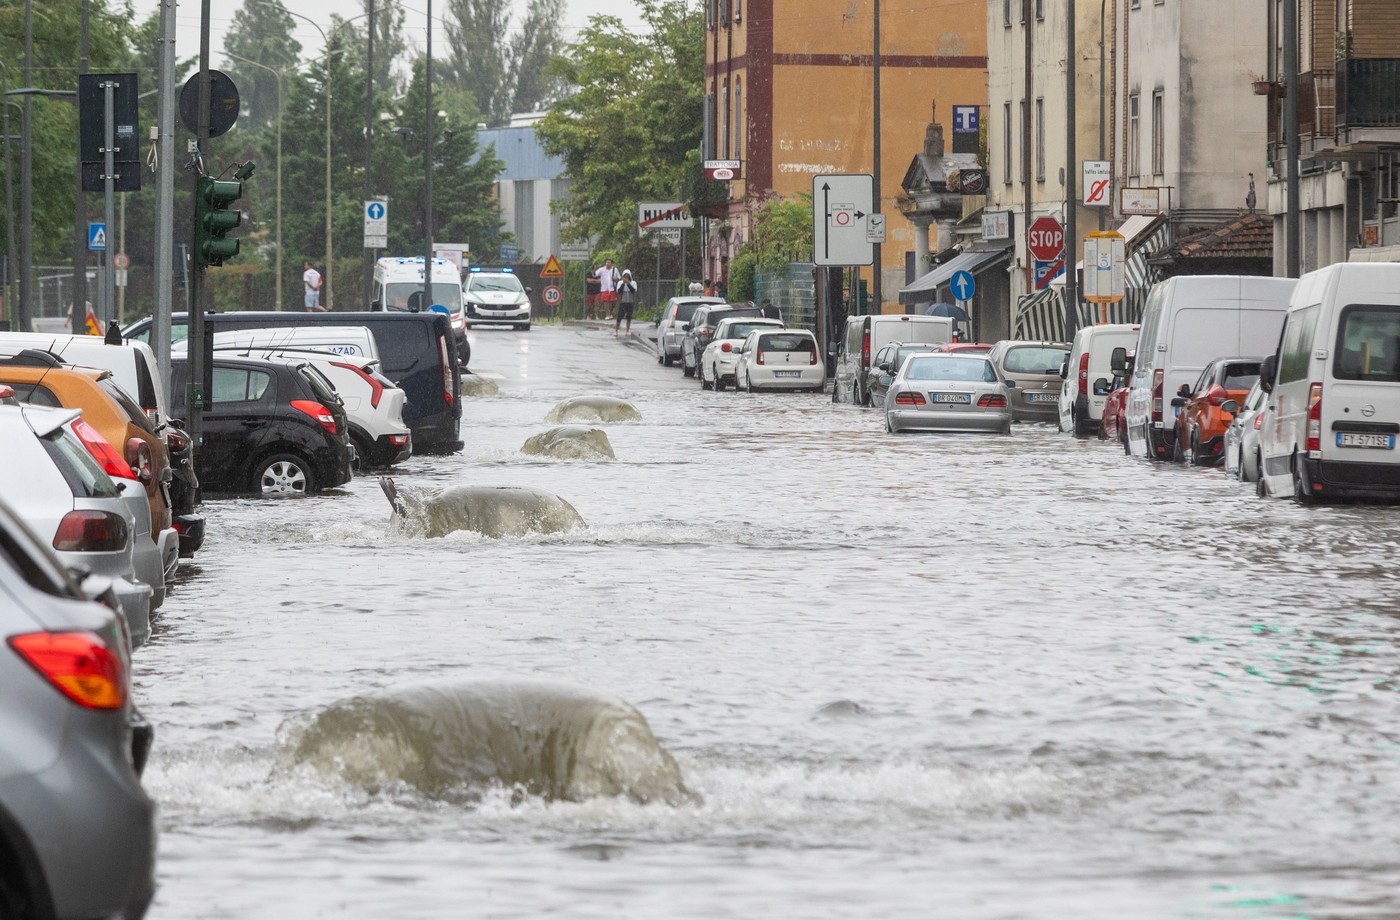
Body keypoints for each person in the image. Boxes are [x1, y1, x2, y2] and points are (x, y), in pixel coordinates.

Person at [614, 269, 638, 338]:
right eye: (625, 276)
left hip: (630, 302)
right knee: (619, 317)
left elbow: (633, 291)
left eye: (628, 276)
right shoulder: (620, 283)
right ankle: (616, 330)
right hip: (622, 302)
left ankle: (627, 330)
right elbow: (619, 291)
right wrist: (623, 284)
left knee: (629, 317)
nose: (626, 278)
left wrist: (628, 283)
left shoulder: (633, 283)